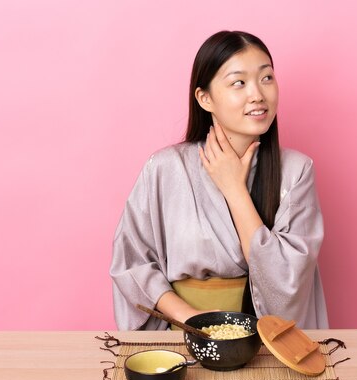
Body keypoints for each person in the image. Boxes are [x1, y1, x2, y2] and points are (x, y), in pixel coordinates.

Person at [109, 30, 328, 330]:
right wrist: (195, 321)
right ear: (205, 98)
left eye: (266, 78)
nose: (258, 94)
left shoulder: (296, 170)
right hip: (182, 336)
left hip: (265, 342)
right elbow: (132, 264)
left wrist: (234, 189)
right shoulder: (165, 168)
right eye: (239, 82)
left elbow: (286, 283)